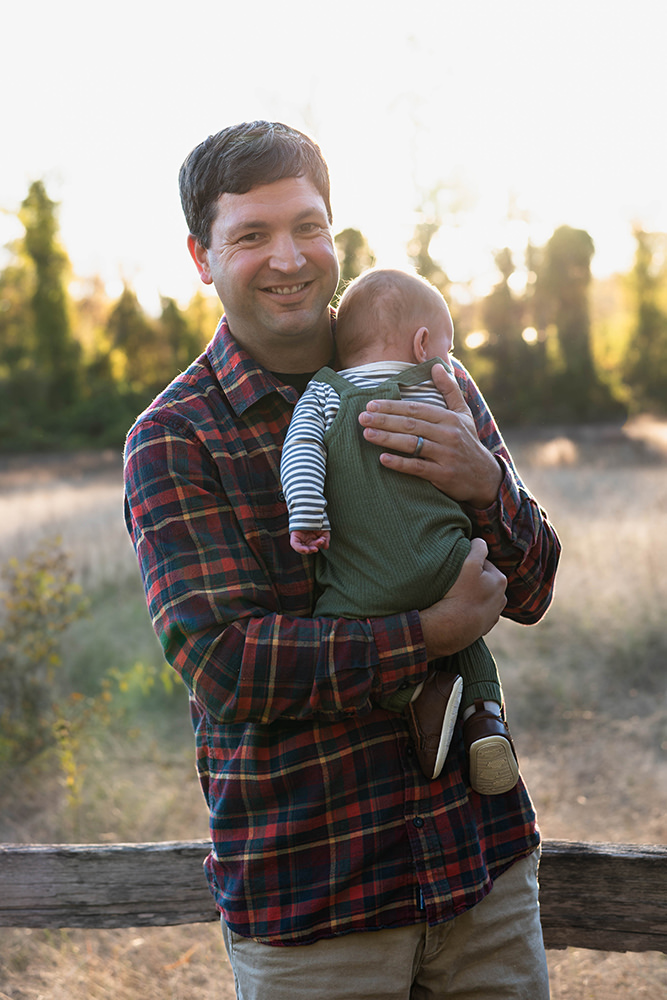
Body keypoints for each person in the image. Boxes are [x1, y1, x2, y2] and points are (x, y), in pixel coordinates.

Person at [123, 120, 560, 999]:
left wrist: (484, 484)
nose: (289, 258)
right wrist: (428, 635)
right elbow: (227, 662)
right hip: (317, 907)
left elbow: (534, 585)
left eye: (307, 226)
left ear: (333, 231)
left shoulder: (425, 367)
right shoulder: (176, 439)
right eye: (251, 235)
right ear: (201, 256)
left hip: (481, 875)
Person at [280, 267, 519, 795]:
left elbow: (299, 453)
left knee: (338, 619)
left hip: (360, 587)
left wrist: (308, 515)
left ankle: (413, 694)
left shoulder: (324, 392)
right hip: (448, 564)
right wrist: (485, 478)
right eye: (448, 348)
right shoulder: (442, 389)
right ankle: (486, 719)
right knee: (470, 635)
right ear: (422, 344)